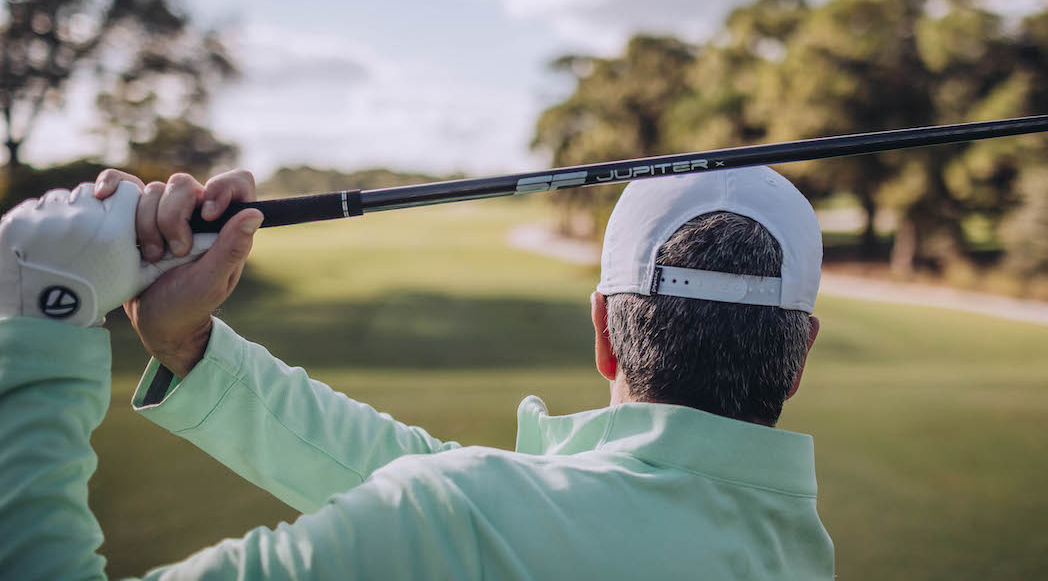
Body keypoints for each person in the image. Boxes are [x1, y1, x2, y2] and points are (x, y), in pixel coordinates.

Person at [0, 164, 834, 579]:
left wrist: (40, 313)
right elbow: (482, 504)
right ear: (797, 359)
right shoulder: (790, 550)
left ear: (603, 338)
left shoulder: (474, 513)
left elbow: (477, 511)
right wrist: (192, 348)